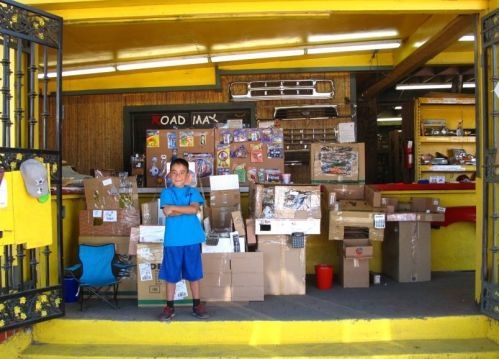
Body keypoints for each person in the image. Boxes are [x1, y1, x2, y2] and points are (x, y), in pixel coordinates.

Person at [158, 157, 209, 320]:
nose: (178, 176)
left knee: (194, 274)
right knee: (171, 275)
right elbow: (168, 212)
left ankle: (197, 304)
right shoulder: (166, 192)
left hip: (192, 239)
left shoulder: (193, 191)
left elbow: (195, 210)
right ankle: (169, 306)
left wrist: (175, 208)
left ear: (188, 176)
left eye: (182, 173)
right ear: (169, 176)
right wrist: (184, 209)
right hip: (173, 241)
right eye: (174, 173)